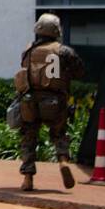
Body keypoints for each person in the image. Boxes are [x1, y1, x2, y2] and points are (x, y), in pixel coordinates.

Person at [15, 13, 85, 191]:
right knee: (59, 134)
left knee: (29, 137)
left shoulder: (28, 50)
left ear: (38, 29)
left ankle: (28, 178)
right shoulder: (63, 50)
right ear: (56, 31)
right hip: (55, 100)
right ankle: (62, 162)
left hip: (30, 101)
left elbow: (24, 70)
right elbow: (80, 72)